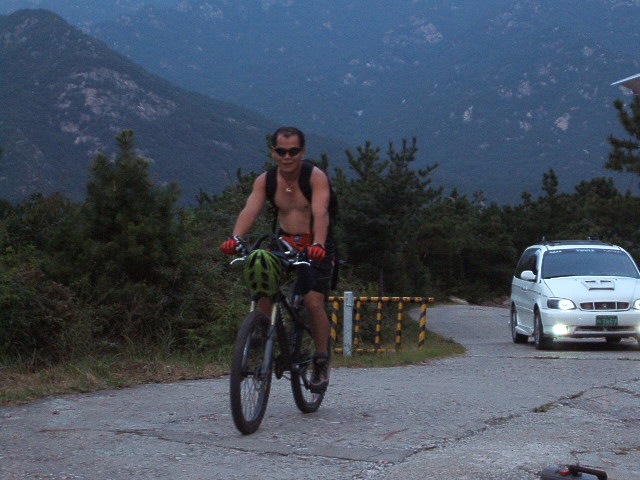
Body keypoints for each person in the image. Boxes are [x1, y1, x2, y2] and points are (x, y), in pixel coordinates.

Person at [220, 126, 335, 392]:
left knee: (313, 302)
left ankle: (320, 359)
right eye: (281, 151)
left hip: (315, 243)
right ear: (273, 152)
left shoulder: (315, 177)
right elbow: (250, 209)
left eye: (293, 151)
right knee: (262, 281)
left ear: (302, 152)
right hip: (283, 241)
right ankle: (262, 339)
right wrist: (235, 238)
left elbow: (321, 212)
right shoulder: (266, 180)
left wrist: (318, 244)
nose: (287, 157)